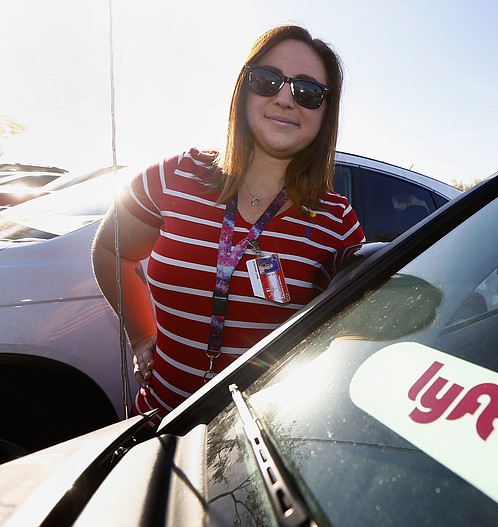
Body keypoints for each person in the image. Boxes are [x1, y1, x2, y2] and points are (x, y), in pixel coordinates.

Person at [92, 25, 364, 426]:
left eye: (308, 92)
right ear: (244, 89)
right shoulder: (173, 176)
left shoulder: (336, 221)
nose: (286, 99)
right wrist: (141, 336)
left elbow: (348, 341)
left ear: (326, 113)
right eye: (268, 80)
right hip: (155, 427)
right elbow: (111, 250)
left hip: (255, 453)